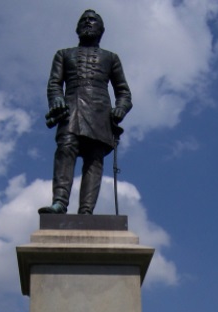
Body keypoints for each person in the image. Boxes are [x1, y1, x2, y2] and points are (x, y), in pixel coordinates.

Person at [38, 10, 132, 215]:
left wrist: (120, 109)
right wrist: (57, 100)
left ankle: (86, 211)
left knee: (94, 158)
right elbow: (54, 84)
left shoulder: (111, 58)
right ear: (77, 28)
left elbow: (124, 92)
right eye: (84, 20)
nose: (88, 23)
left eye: (93, 20)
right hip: (71, 108)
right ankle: (60, 203)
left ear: (102, 30)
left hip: (100, 112)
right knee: (65, 149)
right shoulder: (63, 54)